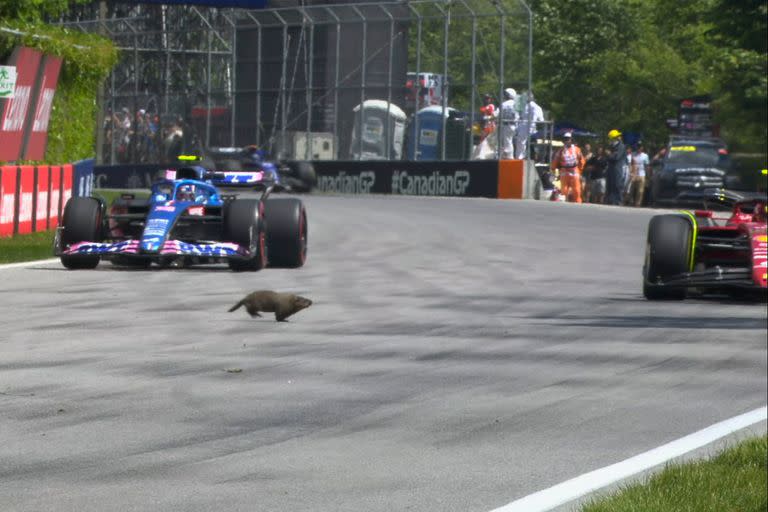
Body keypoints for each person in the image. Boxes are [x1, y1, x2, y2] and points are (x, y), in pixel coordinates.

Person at [550, 131, 586, 203]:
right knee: (564, 190)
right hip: (564, 171)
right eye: (565, 139)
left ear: (571, 140)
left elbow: (582, 160)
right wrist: (553, 169)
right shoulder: (560, 151)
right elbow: (555, 161)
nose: (567, 140)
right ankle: (564, 204)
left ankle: (578, 202)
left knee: (576, 190)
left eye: (568, 139)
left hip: (574, 170)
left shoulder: (577, 149)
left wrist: (580, 170)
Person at [515, 91, 545, 159]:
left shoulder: (523, 107)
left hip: (523, 130)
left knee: (521, 145)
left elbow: (519, 117)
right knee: (530, 145)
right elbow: (541, 120)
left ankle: (520, 158)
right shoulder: (538, 107)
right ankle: (533, 158)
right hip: (533, 131)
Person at [604, 129, 626, 205]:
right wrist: (608, 154)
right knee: (610, 184)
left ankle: (619, 201)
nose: (619, 137)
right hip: (610, 168)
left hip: (617, 168)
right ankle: (611, 200)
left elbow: (616, 157)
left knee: (617, 184)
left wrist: (609, 154)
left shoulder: (621, 146)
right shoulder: (611, 146)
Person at [625, 143, 649, 207]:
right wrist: (631, 172)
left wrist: (647, 175)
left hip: (642, 173)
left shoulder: (645, 156)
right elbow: (631, 164)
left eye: (640, 147)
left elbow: (647, 166)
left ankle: (638, 203)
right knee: (631, 189)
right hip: (634, 174)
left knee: (640, 191)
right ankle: (630, 201)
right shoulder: (633, 154)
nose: (638, 148)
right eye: (638, 147)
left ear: (642, 148)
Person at [499, 88, 519, 159]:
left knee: (507, 141)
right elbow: (519, 115)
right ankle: (508, 156)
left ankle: (509, 157)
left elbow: (499, 114)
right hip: (514, 125)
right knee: (509, 141)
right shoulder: (517, 103)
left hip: (506, 125)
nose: (504, 96)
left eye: (506, 94)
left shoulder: (504, 104)